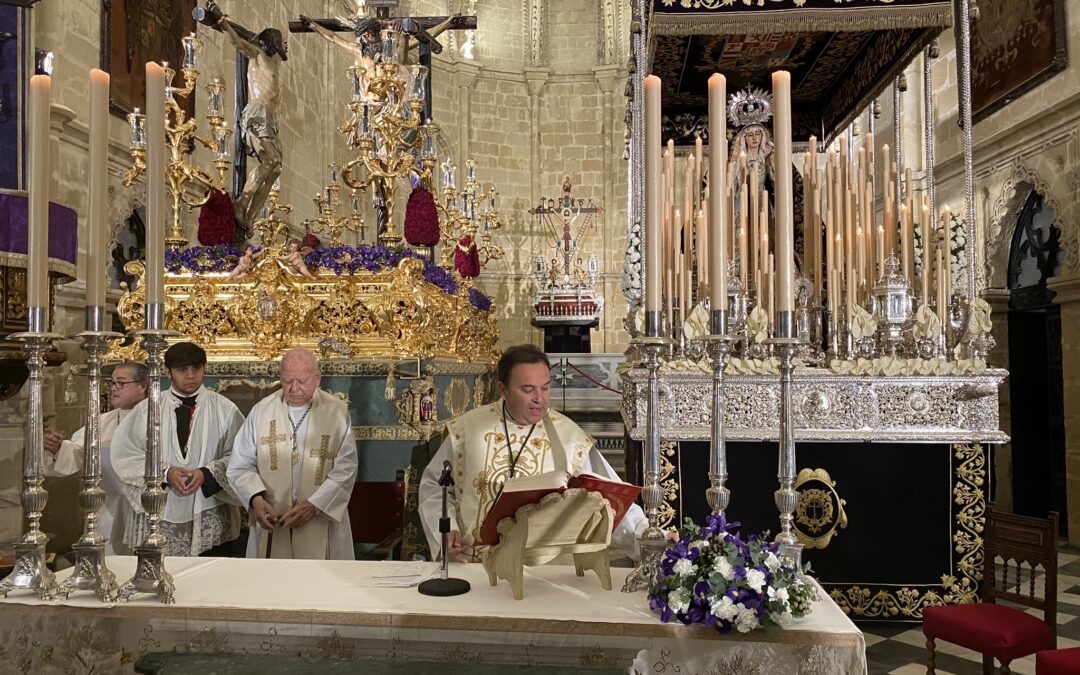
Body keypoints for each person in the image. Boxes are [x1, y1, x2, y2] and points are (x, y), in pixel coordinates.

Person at [418, 344, 648, 563]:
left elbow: (609, 501)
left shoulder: (569, 438)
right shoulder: (466, 431)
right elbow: (434, 489)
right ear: (503, 390)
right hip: (476, 564)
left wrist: (645, 536)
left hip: (548, 571)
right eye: (528, 390)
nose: (540, 398)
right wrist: (446, 532)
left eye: (546, 387)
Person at [112, 342, 245, 556]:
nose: (191, 376)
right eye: (182, 370)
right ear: (168, 372)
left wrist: (206, 473)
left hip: (210, 510)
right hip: (161, 512)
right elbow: (126, 455)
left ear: (204, 369)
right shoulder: (148, 409)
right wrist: (165, 473)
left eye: (196, 368)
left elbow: (241, 456)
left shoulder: (225, 409)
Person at [227, 349, 358, 560]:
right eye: (287, 381)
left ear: (317, 378)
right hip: (272, 520)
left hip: (320, 518)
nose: (294, 388)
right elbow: (241, 465)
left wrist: (315, 504)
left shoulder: (336, 412)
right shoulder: (261, 412)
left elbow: (346, 469)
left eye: (302, 381)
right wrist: (256, 500)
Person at [42, 361, 148, 555]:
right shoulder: (101, 422)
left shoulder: (158, 419)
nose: (114, 388)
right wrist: (58, 448)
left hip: (145, 508)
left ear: (143, 385)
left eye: (121, 383)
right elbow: (77, 453)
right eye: (112, 382)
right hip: (109, 509)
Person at [209, 1, 288, 230]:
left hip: (270, 120)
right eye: (279, 39)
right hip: (257, 114)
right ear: (270, 40)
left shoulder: (274, 62)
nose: (283, 44)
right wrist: (221, 20)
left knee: (277, 167)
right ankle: (241, 203)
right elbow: (236, 41)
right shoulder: (257, 54)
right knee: (271, 160)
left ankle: (251, 215)